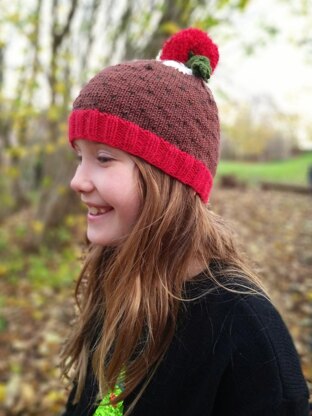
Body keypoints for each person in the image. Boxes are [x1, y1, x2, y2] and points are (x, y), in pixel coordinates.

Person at [60, 28, 309, 416]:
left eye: (104, 158)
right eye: (80, 157)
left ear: (169, 179)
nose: (77, 180)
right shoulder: (117, 281)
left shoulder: (246, 334)